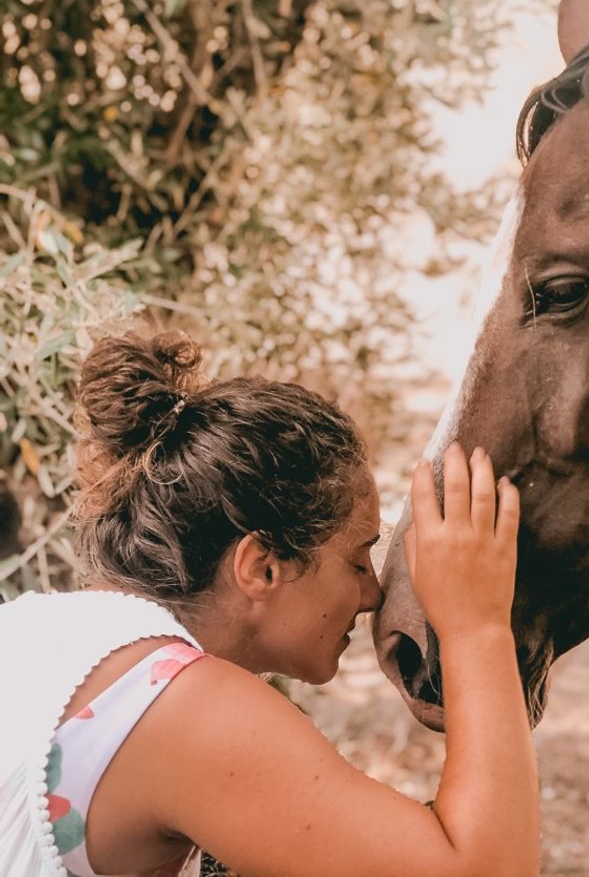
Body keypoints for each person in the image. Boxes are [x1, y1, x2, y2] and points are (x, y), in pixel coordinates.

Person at [0, 332, 539, 877]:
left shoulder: (36, 630)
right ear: (262, 568)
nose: (372, 594)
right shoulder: (182, 709)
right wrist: (476, 626)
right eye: (357, 560)